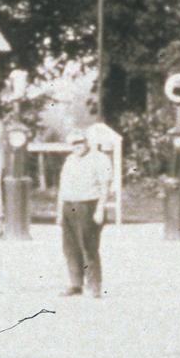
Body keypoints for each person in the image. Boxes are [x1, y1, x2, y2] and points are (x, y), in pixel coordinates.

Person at [56, 126, 113, 297]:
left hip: (89, 205)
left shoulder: (100, 159)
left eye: (80, 142)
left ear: (86, 142)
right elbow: (62, 188)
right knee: (70, 248)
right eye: (73, 144)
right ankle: (75, 283)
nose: (77, 146)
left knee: (89, 247)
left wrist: (100, 210)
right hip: (69, 205)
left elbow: (105, 186)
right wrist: (59, 212)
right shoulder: (69, 161)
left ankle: (94, 286)